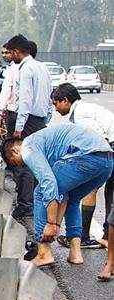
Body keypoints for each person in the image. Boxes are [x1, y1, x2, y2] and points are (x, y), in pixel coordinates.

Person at [0, 124, 113, 267]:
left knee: (40, 192)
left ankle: (43, 253)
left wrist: (51, 224)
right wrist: (56, 225)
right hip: (107, 161)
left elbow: (49, 183)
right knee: (73, 199)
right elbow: (62, 193)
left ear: (14, 151)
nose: (22, 167)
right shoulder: (46, 147)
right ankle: (75, 253)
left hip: (85, 156)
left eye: (16, 164)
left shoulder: (28, 148)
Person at [51, 83, 114, 248]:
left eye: (56, 104)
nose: (55, 109)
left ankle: (84, 237)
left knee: (90, 188)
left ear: (65, 100)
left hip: (109, 146)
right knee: (110, 192)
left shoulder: (81, 115)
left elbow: (97, 139)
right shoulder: (82, 109)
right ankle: (107, 235)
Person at [4, 35, 52, 220]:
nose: (10, 56)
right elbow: (49, 97)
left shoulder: (24, 69)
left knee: (23, 163)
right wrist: (45, 119)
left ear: (17, 51)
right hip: (40, 120)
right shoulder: (42, 67)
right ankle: (37, 201)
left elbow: (24, 100)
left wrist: (19, 127)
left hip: (27, 120)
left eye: (11, 52)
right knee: (38, 163)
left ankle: (25, 205)